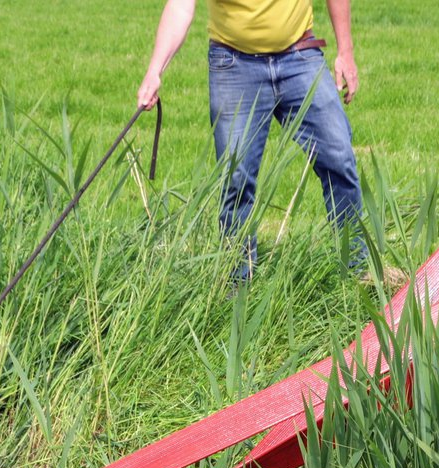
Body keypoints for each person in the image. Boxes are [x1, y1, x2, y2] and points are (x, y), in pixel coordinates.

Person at [137, 0, 364, 279]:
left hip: (300, 57)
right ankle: (237, 291)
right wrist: (155, 70)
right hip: (233, 65)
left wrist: (346, 51)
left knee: (339, 158)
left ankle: (357, 274)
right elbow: (181, 6)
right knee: (235, 179)